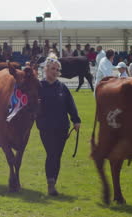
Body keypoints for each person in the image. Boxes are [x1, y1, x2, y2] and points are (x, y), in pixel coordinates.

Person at [36, 53, 81, 196]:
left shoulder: (62, 88)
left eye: (57, 70)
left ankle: (53, 182)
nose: (55, 72)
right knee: (52, 154)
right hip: (45, 128)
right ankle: (50, 183)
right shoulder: (39, 87)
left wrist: (76, 120)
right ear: (46, 69)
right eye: (52, 69)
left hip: (62, 127)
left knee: (57, 155)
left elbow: (70, 105)